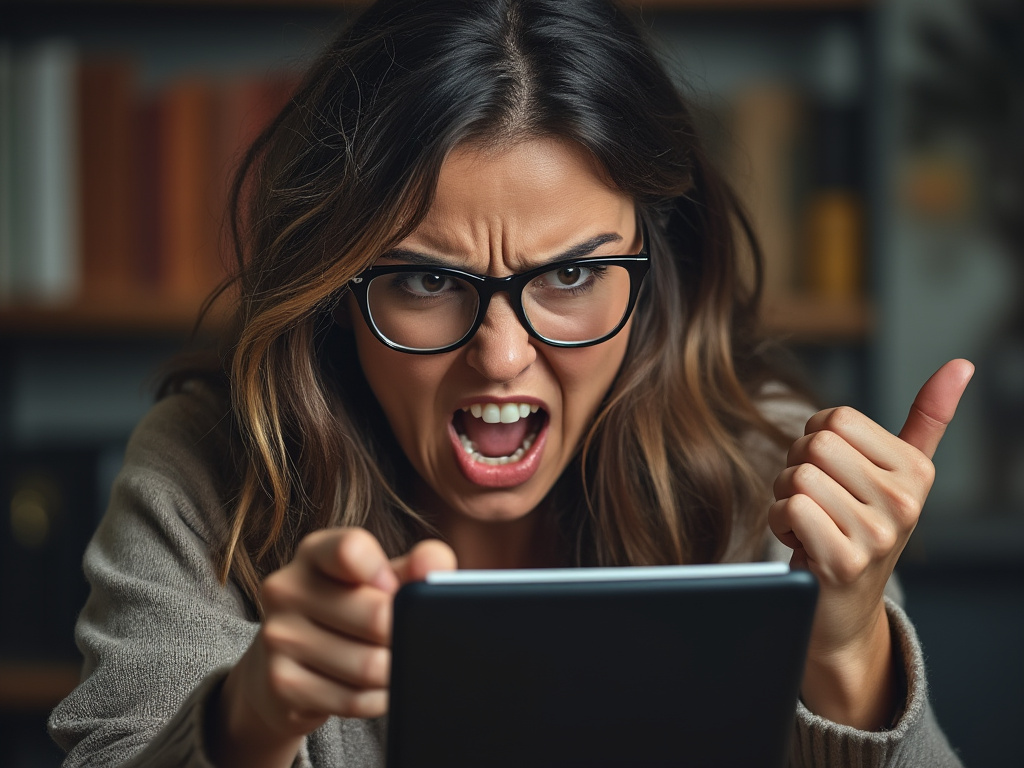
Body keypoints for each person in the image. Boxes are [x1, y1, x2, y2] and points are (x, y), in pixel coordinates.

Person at [48, 0, 973, 766]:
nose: (500, 356)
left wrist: (848, 653)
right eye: (426, 280)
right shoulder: (212, 470)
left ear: (656, 268)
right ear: (335, 289)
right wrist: (249, 721)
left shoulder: (773, 471)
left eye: (570, 274)